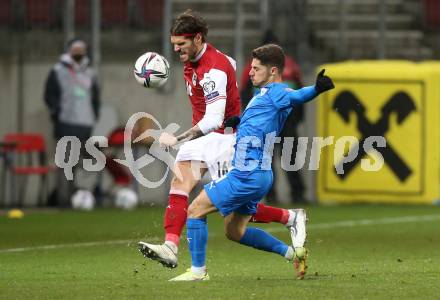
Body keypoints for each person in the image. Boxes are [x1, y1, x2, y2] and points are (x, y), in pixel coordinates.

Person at [138, 10, 307, 269]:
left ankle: (289, 217)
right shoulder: (202, 61)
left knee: (234, 222)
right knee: (190, 188)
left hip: (224, 141)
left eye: (182, 45)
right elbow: (231, 64)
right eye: (174, 46)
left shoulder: (213, 69)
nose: (178, 51)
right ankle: (171, 245)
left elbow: (214, 118)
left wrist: (179, 139)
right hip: (210, 140)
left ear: (197, 39)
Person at [168, 44, 334, 281]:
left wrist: (316, 89)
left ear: (273, 71)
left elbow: (296, 96)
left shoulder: (278, 91)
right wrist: (240, 120)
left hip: (247, 173)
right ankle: (291, 253)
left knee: (195, 209)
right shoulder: (263, 96)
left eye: (256, 68)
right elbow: (261, 119)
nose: (250, 72)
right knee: (234, 231)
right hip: (260, 173)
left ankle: (197, 272)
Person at [240, 30, 305, 203]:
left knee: (289, 160)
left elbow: (300, 92)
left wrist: (297, 118)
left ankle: (297, 194)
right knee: (266, 160)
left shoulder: (289, 64)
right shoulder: (253, 68)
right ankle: (272, 195)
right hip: (266, 123)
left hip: (287, 121)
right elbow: (245, 94)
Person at [44, 38, 100, 207]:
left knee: (79, 163)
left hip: (84, 125)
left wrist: (93, 115)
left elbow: (95, 97)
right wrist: (57, 113)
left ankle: (77, 197)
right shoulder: (58, 71)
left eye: (81, 49)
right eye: (75, 49)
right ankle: (63, 200)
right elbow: (49, 95)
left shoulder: (89, 73)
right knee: (65, 163)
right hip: (65, 123)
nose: (78, 53)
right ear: (69, 51)